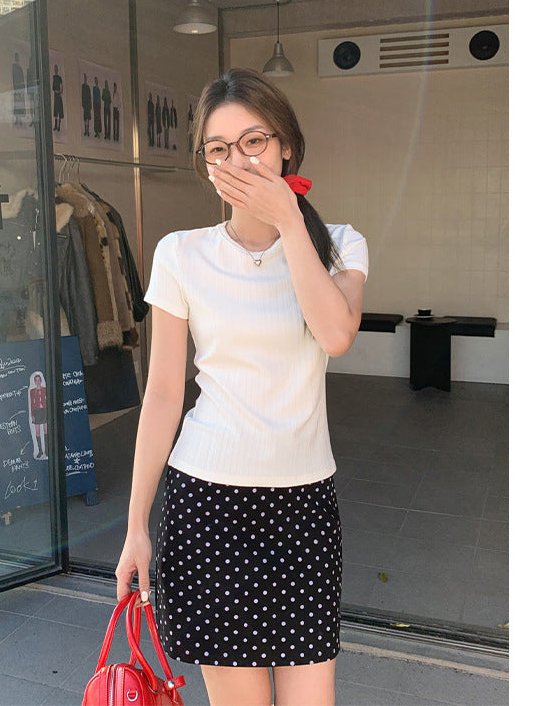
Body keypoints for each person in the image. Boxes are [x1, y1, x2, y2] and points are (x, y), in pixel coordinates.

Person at [115, 68, 368, 706]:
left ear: (287, 148)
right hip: (208, 505)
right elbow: (164, 394)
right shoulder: (181, 253)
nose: (238, 160)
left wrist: (289, 222)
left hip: (303, 505)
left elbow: (335, 334)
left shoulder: (339, 245)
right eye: (219, 148)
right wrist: (136, 525)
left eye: (254, 141)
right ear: (205, 164)